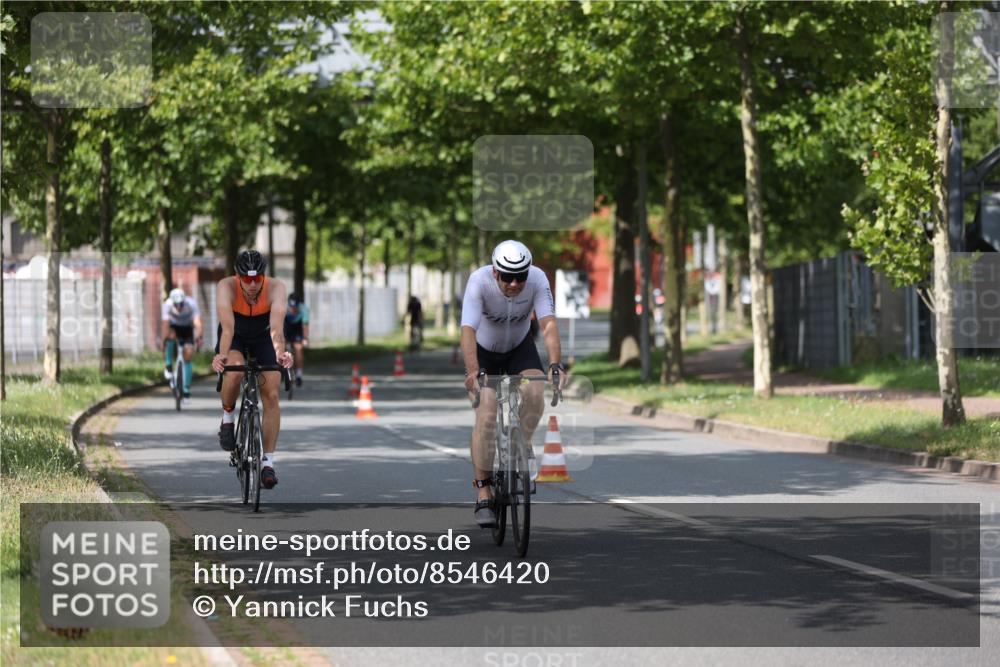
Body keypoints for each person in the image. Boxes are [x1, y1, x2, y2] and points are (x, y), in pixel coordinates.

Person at [460, 240, 566, 527]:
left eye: (521, 276)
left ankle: (523, 444)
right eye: (508, 277)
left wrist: (555, 364)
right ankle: (483, 491)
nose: (515, 283)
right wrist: (473, 371)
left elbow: (548, 324)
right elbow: (468, 329)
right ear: (496, 272)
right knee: (486, 414)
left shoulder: (538, 279)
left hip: (519, 347)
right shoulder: (479, 281)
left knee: (535, 392)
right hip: (483, 352)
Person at [211, 250, 293, 489]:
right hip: (234, 336)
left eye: (257, 278)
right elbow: (227, 329)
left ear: (263, 276)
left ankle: (268, 463)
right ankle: (228, 417)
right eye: (247, 279)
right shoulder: (226, 287)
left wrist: (281, 354)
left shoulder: (276, 288)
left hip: (264, 337)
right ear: (238, 277)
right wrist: (222, 356)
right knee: (235, 370)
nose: (252, 284)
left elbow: (276, 329)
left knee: (272, 394)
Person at [160, 287, 203, 407]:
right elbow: (165, 325)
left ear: (184, 301)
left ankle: (186, 390)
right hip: (174, 327)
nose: (179, 307)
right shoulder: (167, 305)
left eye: (181, 304)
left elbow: (198, 323)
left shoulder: (191, 304)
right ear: (172, 302)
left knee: (188, 355)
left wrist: (199, 337)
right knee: (170, 334)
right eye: (176, 305)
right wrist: (163, 341)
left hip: (187, 328)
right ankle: (169, 365)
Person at [283, 292, 310, 386]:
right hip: (286, 326)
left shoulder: (304, 310)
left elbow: (305, 326)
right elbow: (279, 324)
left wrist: (305, 338)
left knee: (298, 348)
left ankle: (299, 375)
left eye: (295, 307)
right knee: (282, 347)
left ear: (299, 304)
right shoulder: (283, 308)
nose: (293, 309)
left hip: (298, 328)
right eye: (291, 307)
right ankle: (283, 372)